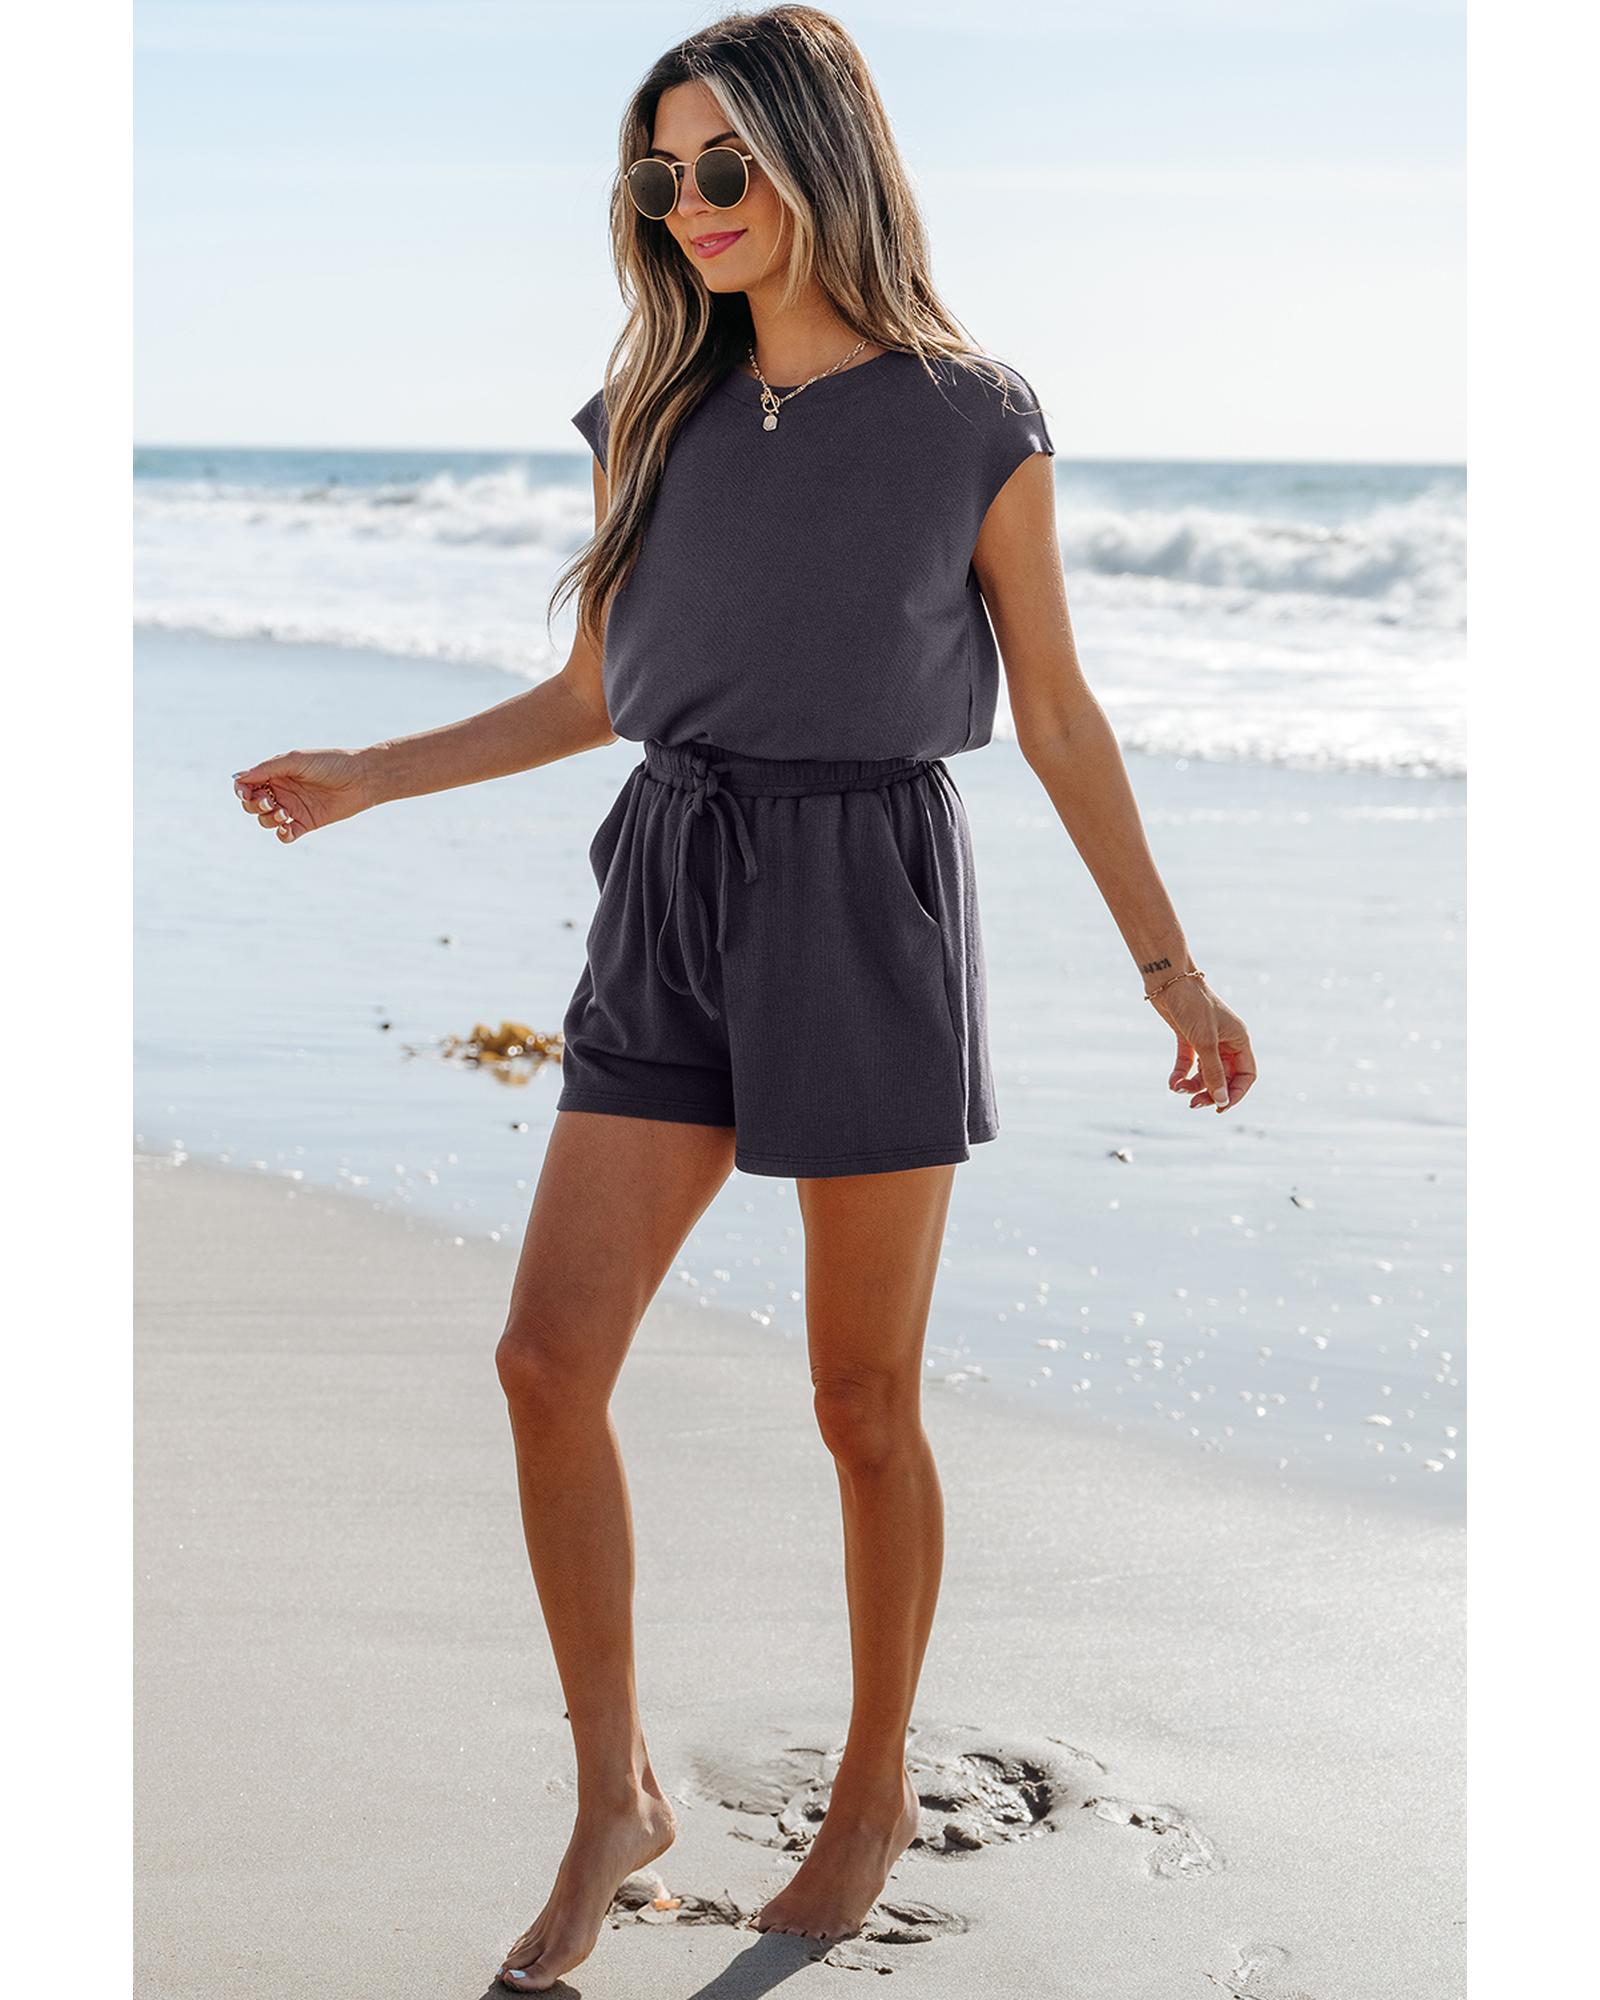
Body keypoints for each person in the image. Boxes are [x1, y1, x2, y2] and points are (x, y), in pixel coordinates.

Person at [229, 6, 1256, 1988]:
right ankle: (610, 1792)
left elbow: (1052, 709)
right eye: (659, 173)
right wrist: (371, 772)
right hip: (672, 881)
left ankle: (872, 1786)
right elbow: (597, 692)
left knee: (859, 1400)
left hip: (868, 892)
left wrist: (1169, 966)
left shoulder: (969, 412)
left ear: (817, 160)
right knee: (546, 1361)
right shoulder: (647, 410)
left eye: (724, 165)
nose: (689, 204)